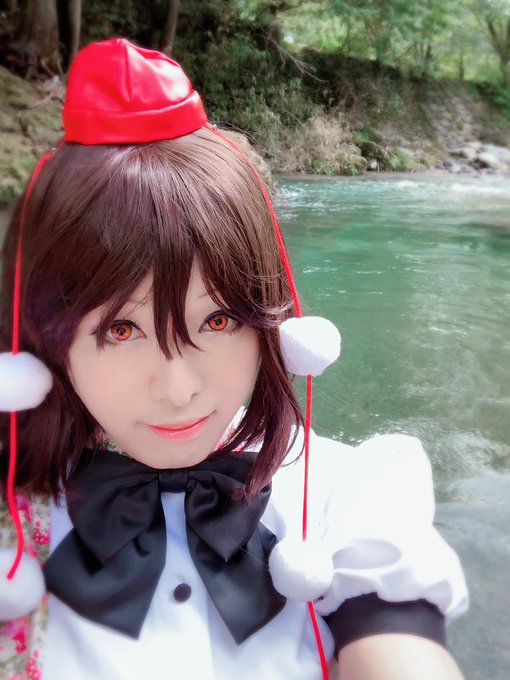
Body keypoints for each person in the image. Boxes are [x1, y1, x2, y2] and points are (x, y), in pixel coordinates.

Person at [0, 39, 468, 680]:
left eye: (218, 321)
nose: (179, 389)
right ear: (45, 339)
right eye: (121, 330)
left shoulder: (341, 499)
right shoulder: (11, 525)